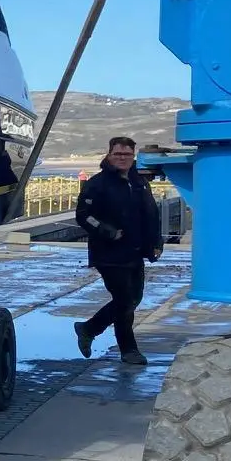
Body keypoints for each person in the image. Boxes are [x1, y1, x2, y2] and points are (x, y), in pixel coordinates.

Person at [73, 136, 164, 366]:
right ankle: (129, 350)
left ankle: (89, 328)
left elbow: (151, 214)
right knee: (124, 300)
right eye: (117, 154)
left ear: (133, 157)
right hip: (109, 253)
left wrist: (156, 242)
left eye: (126, 155)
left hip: (135, 251)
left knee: (134, 298)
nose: (122, 158)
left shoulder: (139, 183)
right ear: (109, 155)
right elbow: (83, 216)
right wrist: (108, 231)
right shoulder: (97, 184)